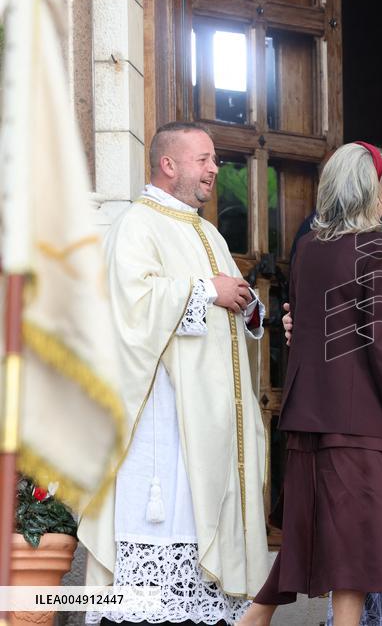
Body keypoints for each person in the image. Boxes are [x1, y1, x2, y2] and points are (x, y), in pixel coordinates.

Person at [79, 121, 270, 625]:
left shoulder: (206, 230)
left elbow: (223, 303)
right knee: (163, 560)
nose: (214, 169)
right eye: (203, 159)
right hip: (163, 419)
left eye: (213, 160)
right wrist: (207, 289)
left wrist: (248, 309)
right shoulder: (137, 224)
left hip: (208, 420)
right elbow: (130, 306)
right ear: (168, 164)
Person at [237, 142, 382, 626]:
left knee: (337, 543)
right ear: (371, 189)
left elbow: (302, 327)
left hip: (309, 418)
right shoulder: (378, 245)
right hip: (358, 424)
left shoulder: (308, 247)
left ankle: (252, 619)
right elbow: (381, 347)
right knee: (357, 544)